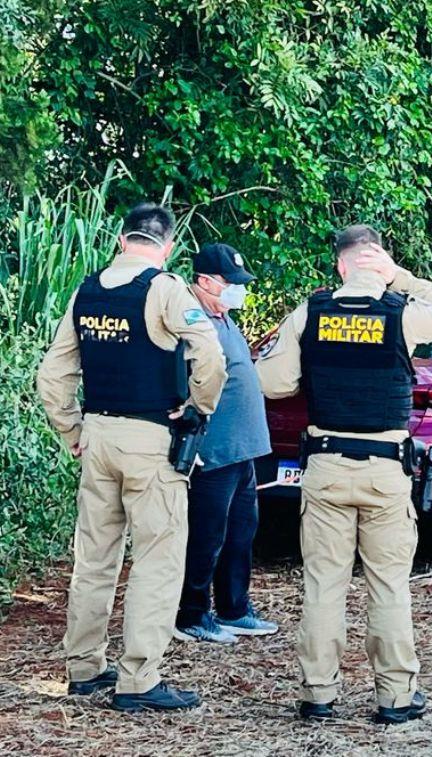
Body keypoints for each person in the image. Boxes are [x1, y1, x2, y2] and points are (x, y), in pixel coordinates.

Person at [255, 225, 432, 724]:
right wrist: (402, 277)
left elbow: (275, 382)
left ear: (340, 266)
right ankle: (395, 697)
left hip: (324, 466)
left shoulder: (311, 312)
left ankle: (318, 694)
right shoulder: (403, 314)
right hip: (385, 469)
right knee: (388, 585)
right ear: (380, 266)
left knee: (323, 584)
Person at [36, 203, 228, 712]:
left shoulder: (88, 289)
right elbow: (210, 357)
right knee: (157, 560)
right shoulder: (165, 289)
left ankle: (84, 668)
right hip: (150, 440)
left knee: (94, 558)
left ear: (123, 241)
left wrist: (71, 430)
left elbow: (52, 375)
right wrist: (196, 411)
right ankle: (139, 679)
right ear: (166, 247)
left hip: (97, 435)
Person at [173, 243, 277, 645]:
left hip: (242, 450)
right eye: (230, 283)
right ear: (205, 282)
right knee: (206, 535)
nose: (238, 290)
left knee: (240, 531)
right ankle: (192, 613)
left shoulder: (225, 319)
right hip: (212, 452)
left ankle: (234, 607)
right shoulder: (193, 323)